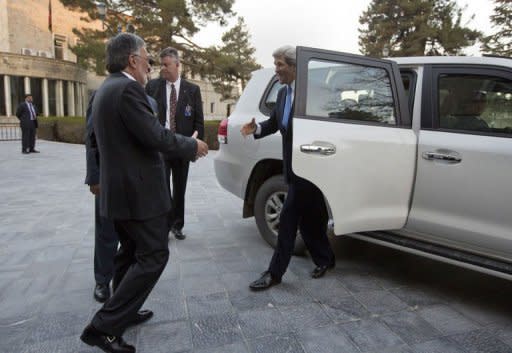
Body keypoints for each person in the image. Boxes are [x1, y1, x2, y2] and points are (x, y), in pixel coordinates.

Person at [80, 33, 208, 353]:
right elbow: (156, 136)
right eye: (147, 58)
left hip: (120, 193)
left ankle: (124, 312)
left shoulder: (107, 88)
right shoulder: (127, 90)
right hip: (137, 193)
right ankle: (103, 327)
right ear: (132, 60)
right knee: (154, 255)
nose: (150, 65)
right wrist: (192, 145)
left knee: (129, 253)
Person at [241, 45, 335, 291]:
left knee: (288, 218)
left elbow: (329, 127)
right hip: (293, 169)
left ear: (294, 66)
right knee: (311, 220)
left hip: (312, 168)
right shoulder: (283, 94)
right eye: (275, 65)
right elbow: (274, 123)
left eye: (280, 64)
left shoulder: (315, 94)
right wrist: (256, 129)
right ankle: (325, 259)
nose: (276, 70)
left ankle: (274, 273)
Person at [146, 47, 205, 240]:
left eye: (166, 64)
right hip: (161, 146)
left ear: (177, 65)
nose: (162, 68)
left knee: (180, 188)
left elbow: (199, 121)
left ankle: (177, 224)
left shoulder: (192, 90)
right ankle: (164, 225)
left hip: (182, 147)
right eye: (161, 64)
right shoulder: (152, 87)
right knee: (162, 188)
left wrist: (194, 143)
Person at [85, 92, 119, 303]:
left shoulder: (148, 98)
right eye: (146, 62)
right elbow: (91, 137)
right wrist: (94, 176)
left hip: (137, 182)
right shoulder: (102, 95)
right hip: (109, 178)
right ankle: (102, 279)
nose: (149, 69)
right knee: (106, 230)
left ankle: (125, 282)